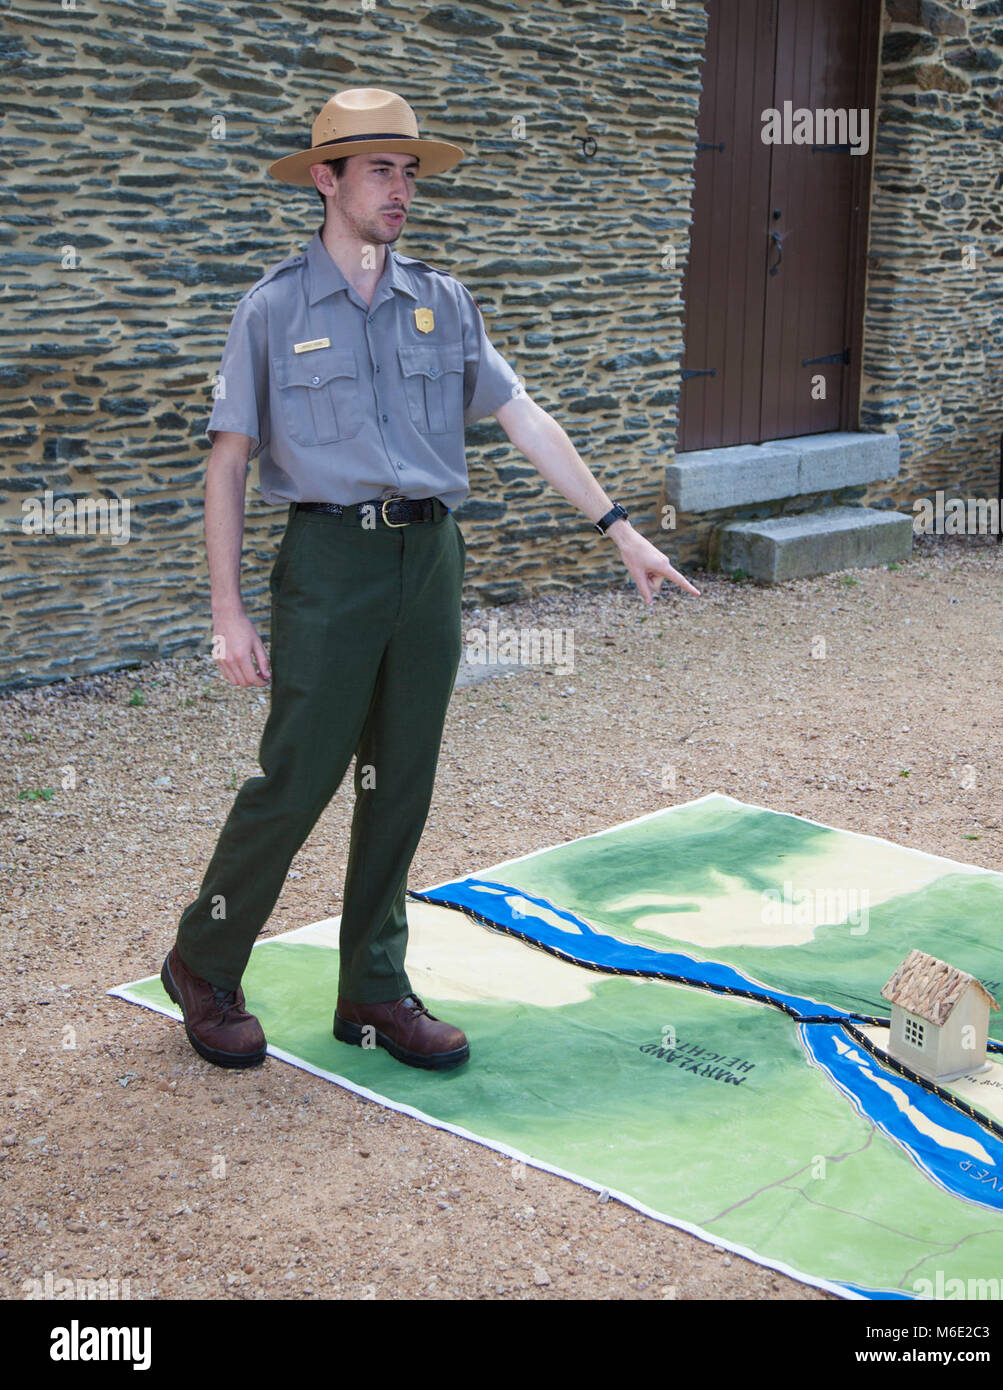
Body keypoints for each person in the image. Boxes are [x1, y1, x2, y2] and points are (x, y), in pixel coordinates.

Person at [162, 88, 700, 1074]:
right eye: (379, 168)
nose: (400, 187)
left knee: (399, 779)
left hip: (428, 561)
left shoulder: (441, 301)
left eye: (409, 169)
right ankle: (204, 961)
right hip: (328, 562)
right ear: (324, 178)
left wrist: (618, 526)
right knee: (297, 779)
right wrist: (228, 611)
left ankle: (372, 989)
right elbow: (227, 462)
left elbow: (523, 415)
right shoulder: (273, 309)